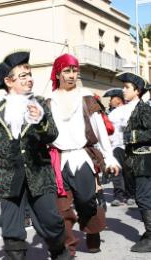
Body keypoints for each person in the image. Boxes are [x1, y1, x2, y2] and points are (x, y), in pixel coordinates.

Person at [0, 51, 71, 260]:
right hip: (9, 176)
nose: (29, 79)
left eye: (30, 74)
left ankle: (60, 253)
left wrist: (41, 122)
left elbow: (52, 134)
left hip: (39, 173)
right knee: (12, 230)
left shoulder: (41, 103)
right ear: (9, 81)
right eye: (23, 76)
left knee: (51, 222)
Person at [48, 53, 120, 255]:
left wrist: (109, 156)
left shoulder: (86, 96)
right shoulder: (48, 100)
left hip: (82, 157)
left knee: (87, 201)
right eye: (67, 71)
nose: (71, 75)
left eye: (74, 71)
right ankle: (67, 248)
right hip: (59, 159)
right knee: (61, 207)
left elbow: (100, 129)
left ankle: (93, 232)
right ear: (58, 73)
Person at [116, 72, 151, 252]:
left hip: (144, 160)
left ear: (137, 91)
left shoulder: (144, 108)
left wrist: (130, 136)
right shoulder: (135, 108)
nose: (124, 90)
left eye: (127, 87)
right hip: (137, 161)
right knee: (143, 197)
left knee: (144, 198)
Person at [105, 88, 135, 206]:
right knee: (115, 171)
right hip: (114, 146)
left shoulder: (127, 110)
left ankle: (130, 194)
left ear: (118, 100)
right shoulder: (112, 112)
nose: (110, 101)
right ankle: (119, 196)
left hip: (125, 145)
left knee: (128, 172)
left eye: (112, 99)